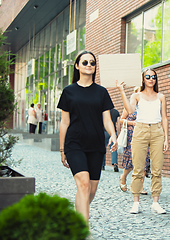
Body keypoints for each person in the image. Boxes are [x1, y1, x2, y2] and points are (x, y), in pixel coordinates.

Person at [57, 50, 117, 222]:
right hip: (74, 143)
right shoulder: (68, 91)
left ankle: (77, 217)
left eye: (92, 62)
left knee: (90, 190)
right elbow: (64, 122)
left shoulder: (101, 92)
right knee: (83, 184)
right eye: (85, 62)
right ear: (77, 66)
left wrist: (112, 134)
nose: (89, 65)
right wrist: (62, 150)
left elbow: (107, 119)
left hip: (96, 144)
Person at [116, 68, 169, 214]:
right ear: (143, 79)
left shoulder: (161, 97)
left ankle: (155, 203)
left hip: (157, 131)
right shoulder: (137, 96)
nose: (151, 79)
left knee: (156, 169)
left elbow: (164, 117)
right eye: (148, 76)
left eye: (153, 76)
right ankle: (136, 202)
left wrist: (166, 138)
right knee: (138, 168)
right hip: (140, 130)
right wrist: (121, 91)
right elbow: (130, 111)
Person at [119, 86, 150, 195]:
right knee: (132, 160)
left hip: (144, 135)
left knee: (144, 160)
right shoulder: (130, 106)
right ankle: (123, 177)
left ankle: (140, 186)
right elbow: (121, 120)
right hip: (131, 137)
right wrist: (132, 123)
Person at [102, 108, 120, 172]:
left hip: (104, 132)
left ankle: (102, 165)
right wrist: (117, 133)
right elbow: (118, 124)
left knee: (103, 148)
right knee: (114, 148)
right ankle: (115, 164)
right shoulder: (116, 112)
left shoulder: (103, 111)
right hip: (113, 132)